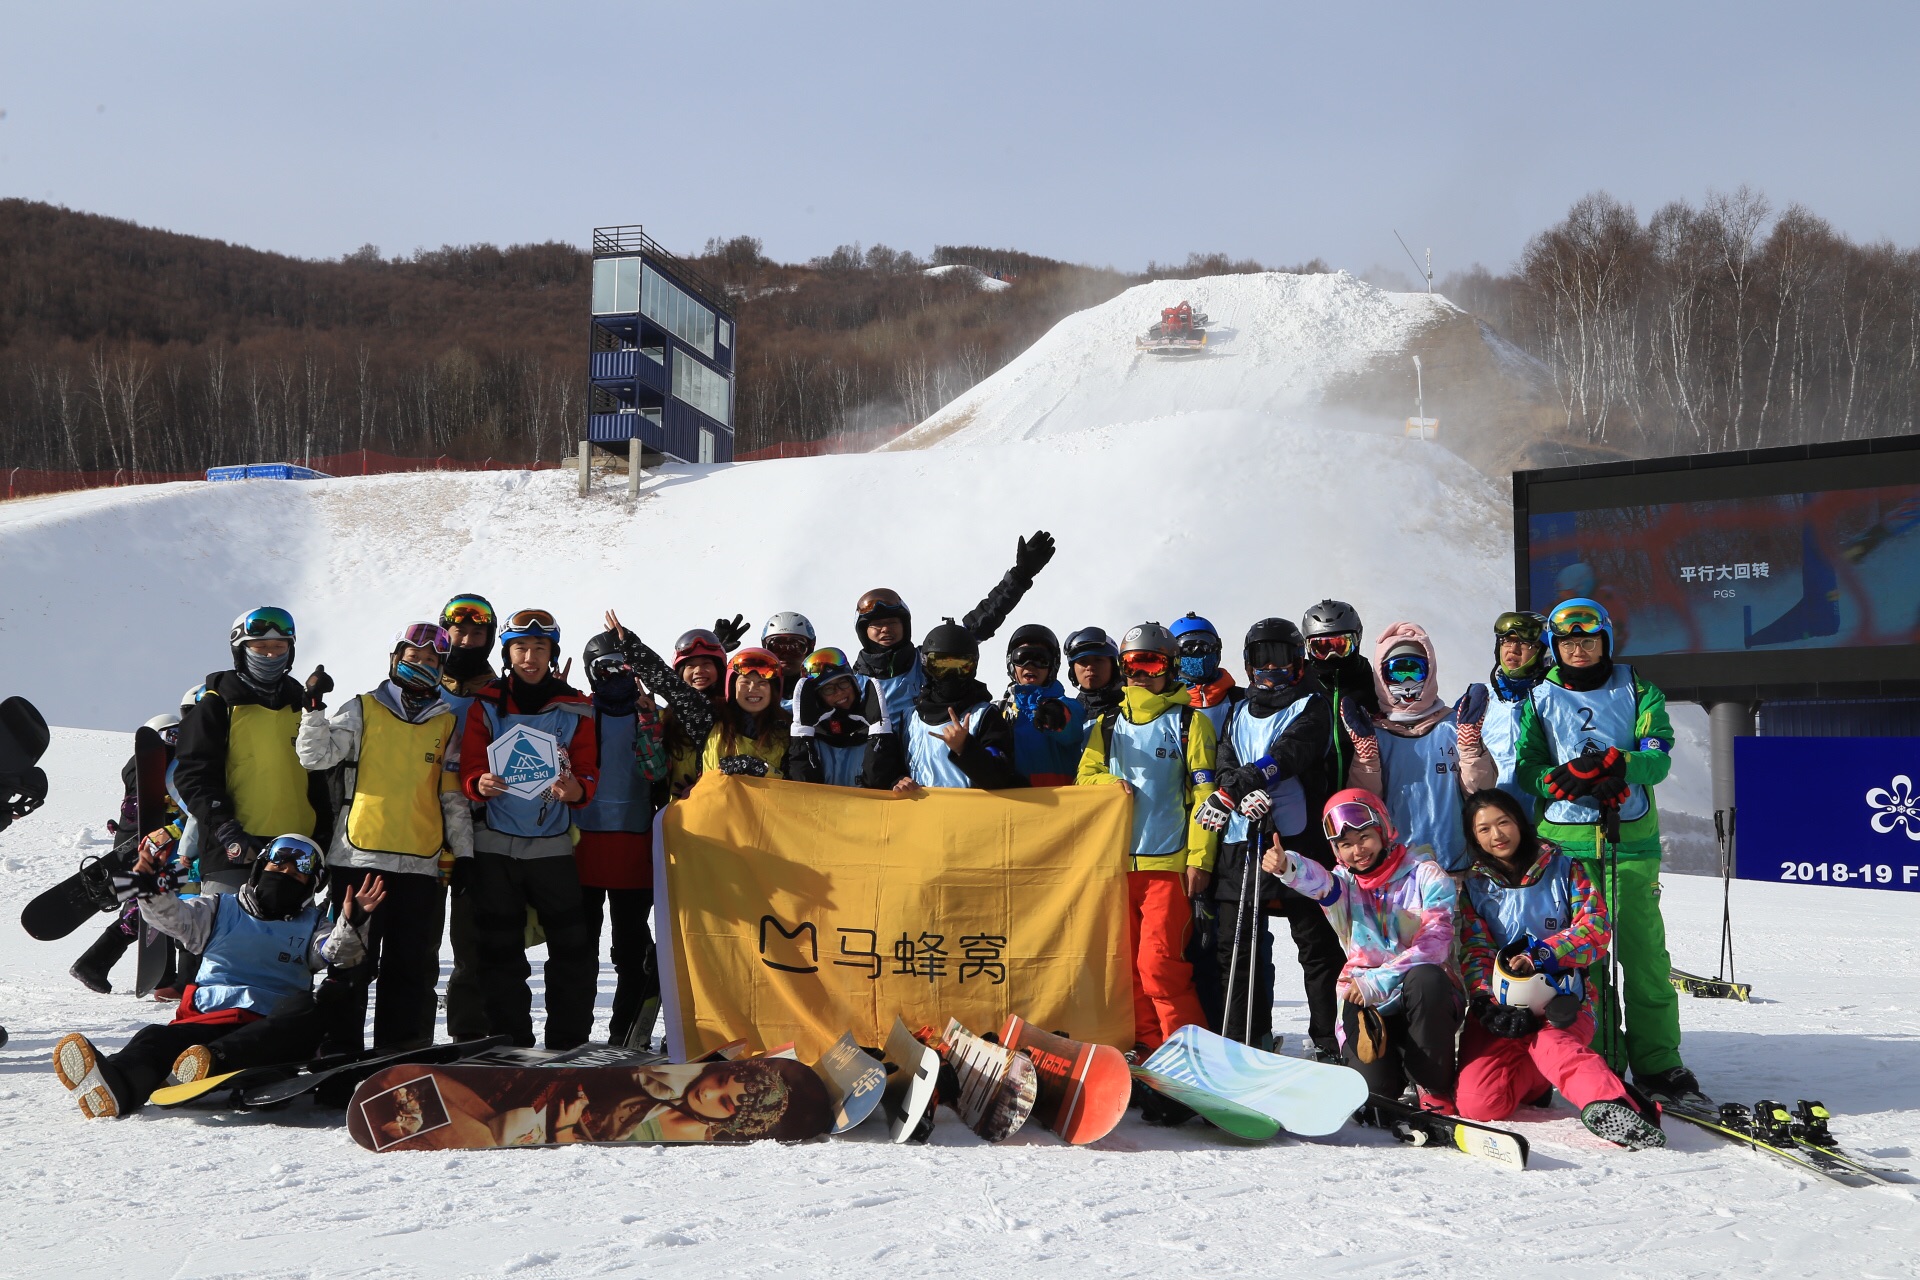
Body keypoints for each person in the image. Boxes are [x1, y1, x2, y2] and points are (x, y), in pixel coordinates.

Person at [51, 833, 379, 1117]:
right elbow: (173, 917)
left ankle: (208, 1063)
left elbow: (337, 952)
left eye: (297, 874)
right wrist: (150, 888)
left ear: (311, 885)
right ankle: (116, 1085)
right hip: (207, 1019)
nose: (285, 874)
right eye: (278, 866)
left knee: (306, 1008)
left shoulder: (312, 926)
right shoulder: (219, 908)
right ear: (259, 868)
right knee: (154, 1037)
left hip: (268, 1026)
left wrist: (353, 923)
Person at [1513, 597, 1692, 1103]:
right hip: (1565, 847)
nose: (1579, 649)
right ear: (1554, 646)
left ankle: (1658, 1063)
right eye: (1568, 641)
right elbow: (1529, 768)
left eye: (1588, 640)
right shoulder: (1539, 697)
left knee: (1643, 956)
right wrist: (1562, 779)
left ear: (1605, 640)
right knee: (1582, 961)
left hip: (1628, 841)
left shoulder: (1638, 687)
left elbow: (1657, 758)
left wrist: (1619, 765)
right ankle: (1603, 1057)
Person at [1454, 788, 1666, 1149]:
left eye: (1503, 822)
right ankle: (1536, 1082)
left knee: (1552, 1044)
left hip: (1562, 1002)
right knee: (1479, 1104)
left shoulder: (1565, 868)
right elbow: (1476, 950)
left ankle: (1624, 1107)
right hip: (1504, 1006)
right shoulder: (1476, 886)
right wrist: (1487, 1004)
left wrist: (1543, 954)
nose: (1497, 835)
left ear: (1520, 822)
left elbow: (1596, 928)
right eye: (1484, 829)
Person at [296, 623, 472, 1053]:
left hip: (419, 864)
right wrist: (313, 707)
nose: (421, 665)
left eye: (431, 661)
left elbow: (450, 796)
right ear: (396, 660)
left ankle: (402, 1055)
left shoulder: (446, 723)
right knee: (350, 963)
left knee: (410, 969)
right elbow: (315, 756)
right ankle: (338, 1055)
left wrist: (463, 853)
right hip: (357, 859)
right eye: (413, 657)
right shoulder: (363, 708)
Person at [1195, 619, 1343, 1059]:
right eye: (1261, 657)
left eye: (1280, 655)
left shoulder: (1313, 705)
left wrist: (1233, 788)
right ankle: (1247, 1034)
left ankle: (1327, 1038)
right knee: (1237, 944)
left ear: (1298, 661)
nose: (1271, 666)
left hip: (1296, 839)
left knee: (1315, 944)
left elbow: (1291, 753)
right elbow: (1225, 761)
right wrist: (1237, 793)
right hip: (1243, 837)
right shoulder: (1239, 708)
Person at [1262, 789, 1461, 1111]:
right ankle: (1394, 1071)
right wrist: (1287, 865)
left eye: (1364, 837)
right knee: (1375, 1096)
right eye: (1345, 845)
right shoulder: (1344, 887)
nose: (1358, 851)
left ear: (1383, 829)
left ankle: (1431, 1084)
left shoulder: (1425, 874)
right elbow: (1317, 881)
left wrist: (1378, 980)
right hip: (1366, 1000)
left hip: (1422, 997)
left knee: (1426, 978)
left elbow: (1435, 944)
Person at [458, 609, 599, 1049]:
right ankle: (509, 1039)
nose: (530, 656)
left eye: (540, 648)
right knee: (499, 948)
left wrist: (577, 790)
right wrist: (478, 782)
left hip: (552, 845)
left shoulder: (574, 706)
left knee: (573, 948)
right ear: (507, 653)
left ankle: (568, 1040)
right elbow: (471, 764)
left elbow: (590, 770)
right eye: (520, 647)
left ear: (553, 653)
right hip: (495, 846)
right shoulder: (487, 702)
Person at [1077, 622, 1218, 1056]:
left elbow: (1204, 796)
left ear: (1170, 667)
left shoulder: (1190, 722)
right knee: (1129, 970)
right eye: (1133, 664)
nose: (1141, 673)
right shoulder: (1107, 723)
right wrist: (1108, 780)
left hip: (1167, 865)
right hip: (1119, 866)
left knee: (1160, 967)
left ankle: (1188, 1054)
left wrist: (1201, 859)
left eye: (1152, 662)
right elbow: (1083, 778)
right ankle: (1150, 1047)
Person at [174, 607, 331, 895]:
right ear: (240, 649)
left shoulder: (301, 704)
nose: (271, 655)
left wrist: (324, 834)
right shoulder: (217, 703)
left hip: (296, 850)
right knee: (230, 932)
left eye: (278, 647)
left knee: (288, 938)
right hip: (234, 849)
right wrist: (225, 828)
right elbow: (194, 774)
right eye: (260, 647)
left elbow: (320, 775)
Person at [850, 529, 1055, 733]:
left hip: (927, 754)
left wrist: (1019, 576)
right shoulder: (852, 681)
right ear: (863, 631)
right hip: (873, 761)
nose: (886, 629)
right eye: (876, 625)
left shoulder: (927, 661)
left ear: (905, 625)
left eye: (892, 622)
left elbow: (980, 622)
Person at [573, 630, 671, 1047]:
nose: (616, 676)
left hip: (633, 845)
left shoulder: (650, 713)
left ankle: (626, 1034)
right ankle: (572, 1030)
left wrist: (649, 719)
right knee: (578, 947)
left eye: (624, 668)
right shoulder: (576, 711)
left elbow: (656, 772)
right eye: (606, 668)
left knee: (630, 948)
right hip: (583, 844)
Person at [1341, 622, 1495, 873]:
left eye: (1416, 670)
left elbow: (1482, 796)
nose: (1408, 680)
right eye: (1397, 672)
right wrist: (1366, 759)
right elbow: (1363, 808)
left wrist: (1470, 749)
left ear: (1430, 671)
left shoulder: (1454, 726)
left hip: (1454, 869)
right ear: (1381, 677)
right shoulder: (1375, 734)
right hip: (1399, 878)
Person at [69, 710, 184, 994]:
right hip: (139, 848)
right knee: (140, 909)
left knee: (164, 902)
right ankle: (92, 964)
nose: (178, 742)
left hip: (158, 847)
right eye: (172, 735)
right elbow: (137, 806)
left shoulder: (172, 765)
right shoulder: (141, 765)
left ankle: (166, 976)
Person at [605, 615, 792, 786]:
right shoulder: (709, 719)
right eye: (745, 682)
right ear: (732, 685)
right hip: (698, 816)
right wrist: (631, 647)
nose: (752, 688)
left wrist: (764, 771)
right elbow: (671, 686)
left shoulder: (788, 731)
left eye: (762, 683)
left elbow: (802, 783)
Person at [437, 592, 500, 1044]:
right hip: (416, 822)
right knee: (413, 944)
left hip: (476, 827)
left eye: (477, 633)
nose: (466, 639)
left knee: (471, 942)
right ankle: (404, 1037)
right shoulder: (417, 683)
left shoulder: (501, 693)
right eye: (459, 630)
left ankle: (468, 1035)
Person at [881, 621, 1025, 791]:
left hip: (970, 815)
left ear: (973, 667)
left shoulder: (984, 716)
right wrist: (896, 780)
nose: (950, 675)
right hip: (921, 815)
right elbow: (889, 769)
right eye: (940, 666)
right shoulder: (909, 718)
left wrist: (966, 749)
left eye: (960, 666)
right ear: (926, 665)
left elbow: (1001, 777)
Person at [994, 623, 1085, 786]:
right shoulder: (997, 711)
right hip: (1013, 805)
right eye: (1022, 657)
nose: (1030, 665)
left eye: (1041, 659)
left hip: (1060, 805)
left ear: (1052, 665)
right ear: (1011, 663)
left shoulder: (1070, 706)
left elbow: (1073, 730)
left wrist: (1057, 716)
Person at [1301, 599, 1379, 787]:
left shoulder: (1373, 682)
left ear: (1357, 639)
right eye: (1321, 648)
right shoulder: (1300, 682)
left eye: (1341, 646)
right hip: (1310, 797)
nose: (1331, 656)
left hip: (1363, 790)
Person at [786, 648, 887, 788]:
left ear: (854, 684)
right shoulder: (811, 738)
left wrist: (880, 734)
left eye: (843, 683)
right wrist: (802, 734)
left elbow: (879, 783)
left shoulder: (873, 730)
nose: (839, 692)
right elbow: (803, 787)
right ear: (818, 698)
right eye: (828, 689)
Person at [1484, 611, 1551, 813]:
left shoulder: (1555, 699)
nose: (1513, 649)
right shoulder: (1479, 697)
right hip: (1490, 820)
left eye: (1525, 644)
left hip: (1539, 821)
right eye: (1507, 641)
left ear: (1543, 651)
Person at [661, 628, 730, 798]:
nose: (699, 670)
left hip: (724, 803)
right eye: (691, 665)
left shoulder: (732, 711)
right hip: (679, 811)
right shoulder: (666, 717)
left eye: (707, 664)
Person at [1170, 613, 1240, 738]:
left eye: (1206, 646)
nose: (1199, 653)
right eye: (1189, 648)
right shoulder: (1167, 704)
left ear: (1217, 651)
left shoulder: (1241, 701)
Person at [1063, 626, 1124, 721]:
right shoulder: (1068, 714)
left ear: (1114, 666)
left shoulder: (1133, 707)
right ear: (1072, 671)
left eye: (1098, 660)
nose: (1090, 667)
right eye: (1082, 661)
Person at [760, 612, 817, 689]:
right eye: (776, 647)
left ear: (809, 648)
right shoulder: (755, 689)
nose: (785, 655)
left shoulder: (821, 690)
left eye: (794, 647)